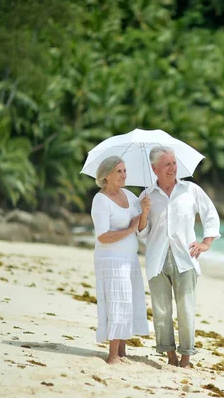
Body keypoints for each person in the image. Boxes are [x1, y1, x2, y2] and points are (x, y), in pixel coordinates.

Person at [137, 146, 220, 368]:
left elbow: (210, 214)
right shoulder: (146, 195)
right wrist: (144, 212)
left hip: (186, 259)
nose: (172, 168)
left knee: (186, 310)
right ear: (154, 168)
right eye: (167, 164)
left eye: (174, 163)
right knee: (162, 311)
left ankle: (185, 358)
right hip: (157, 259)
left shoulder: (190, 190)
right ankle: (170, 356)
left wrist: (206, 242)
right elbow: (141, 232)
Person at [90, 156, 149, 364]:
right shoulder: (100, 200)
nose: (124, 175)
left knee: (128, 303)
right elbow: (103, 236)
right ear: (106, 176)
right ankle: (112, 355)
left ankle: (122, 351)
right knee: (117, 303)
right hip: (111, 259)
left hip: (129, 259)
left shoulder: (130, 195)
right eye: (119, 172)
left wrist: (145, 212)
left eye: (125, 171)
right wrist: (130, 229)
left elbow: (141, 229)